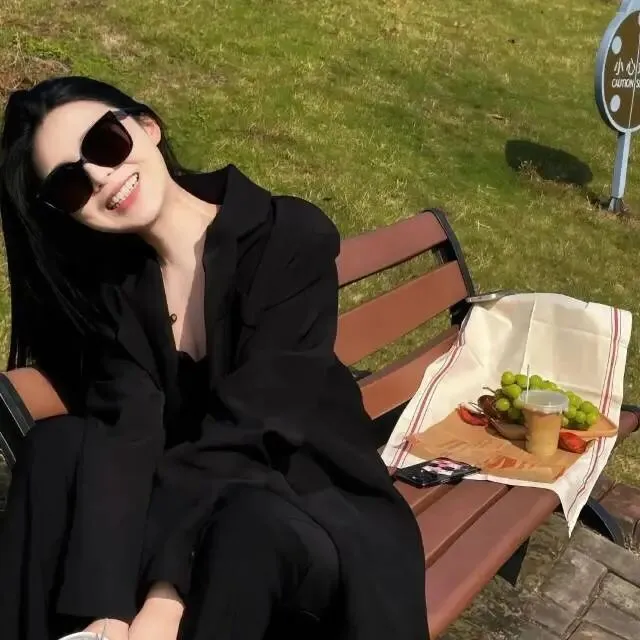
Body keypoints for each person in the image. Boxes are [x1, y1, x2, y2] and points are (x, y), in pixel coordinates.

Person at [0, 76, 428, 640]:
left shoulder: (287, 238)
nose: (100, 177)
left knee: (245, 525)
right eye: (70, 184)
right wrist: (107, 615)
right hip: (197, 491)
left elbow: (253, 430)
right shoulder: (118, 290)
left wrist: (164, 596)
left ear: (148, 127)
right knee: (56, 449)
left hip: (309, 499)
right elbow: (125, 433)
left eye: (105, 143)